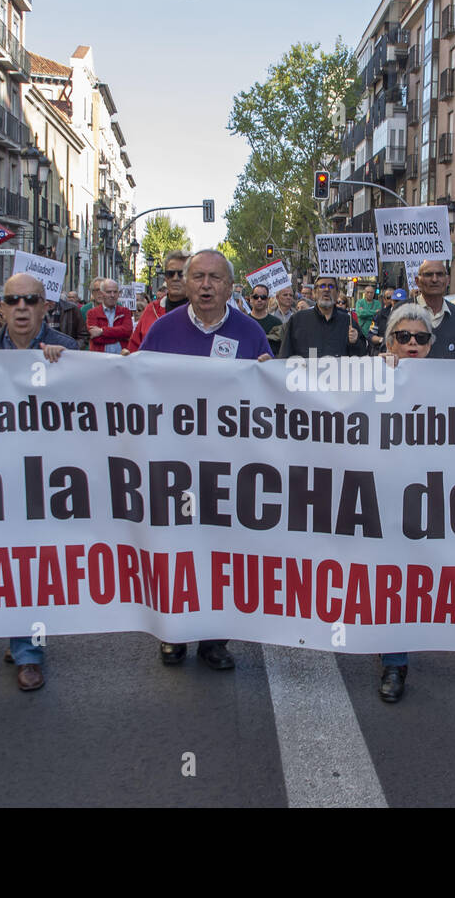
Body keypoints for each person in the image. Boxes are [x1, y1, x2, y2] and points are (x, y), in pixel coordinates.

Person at [139, 249, 272, 671]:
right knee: (176, 550)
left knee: (221, 555)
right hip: (176, 467)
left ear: (231, 287)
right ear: (184, 283)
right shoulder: (161, 331)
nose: (205, 285)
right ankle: (173, 633)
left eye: (215, 278)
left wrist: (273, 376)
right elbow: (136, 389)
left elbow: (269, 401)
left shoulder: (251, 334)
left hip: (230, 468)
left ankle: (215, 639)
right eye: (197, 276)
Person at [0, 274, 76, 691]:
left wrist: (69, 369)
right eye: (13, 300)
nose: (22, 307)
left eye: (31, 300)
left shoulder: (69, 349)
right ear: (0, 308)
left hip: (49, 478)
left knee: (37, 563)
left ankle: (29, 651)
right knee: (4, 561)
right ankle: (19, 633)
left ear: (46, 307)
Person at [373, 302, 438, 702]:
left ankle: (396, 654)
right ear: (389, 340)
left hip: (431, 493)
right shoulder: (368, 374)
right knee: (387, 575)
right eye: (403, 337)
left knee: (414, 576)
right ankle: (393, 659)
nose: (412, 344)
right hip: (378, 493)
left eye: (421, 338)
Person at [278, 274, 367, 358]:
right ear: (314, 293)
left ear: (337, 294)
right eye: (322, 286)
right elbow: (285, 355)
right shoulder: (298, 320)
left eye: (331, 286)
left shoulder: (348, 322)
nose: (327, 290)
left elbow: (362, 357)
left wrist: (355, 342)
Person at [128, 250, 190, 351]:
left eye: (181, 274)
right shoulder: (151, 309)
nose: (175, 278)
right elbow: (134, 346)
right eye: (170, 274)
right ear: (165, 278)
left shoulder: (201, 312)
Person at [414, 260, 455, 358]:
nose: (435, 279)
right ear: (417, 281)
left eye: (440, 274)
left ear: (448, 280)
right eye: (428, 274)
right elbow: (388, 355)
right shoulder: (401, 312)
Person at [87, 279, 133, 354]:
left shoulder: (125, 312)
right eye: (109, 292)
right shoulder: (92, 313)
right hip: (100, 358)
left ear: (118, 294)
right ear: (102, 294)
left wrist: (102, 331)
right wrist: (119, 336)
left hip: (121, 357)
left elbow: (127, 331)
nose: (112, 295)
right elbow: (96, 338)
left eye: (115, 292)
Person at [247, 282, 283, 356]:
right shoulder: (244, 321)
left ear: (268, 299)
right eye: (256, 297)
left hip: (269, 365)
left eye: (263, 297)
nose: (259, 299)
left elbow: (281, 349)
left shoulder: (277, 322)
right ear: (251, 298)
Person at [367, 287, 405, 353]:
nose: (398, 304)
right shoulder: (380, 315)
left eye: (401, 302)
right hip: (383, 353)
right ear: (392, 301)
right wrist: (383, 340)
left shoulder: (412, 317)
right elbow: (371, 335)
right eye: (396, 301)